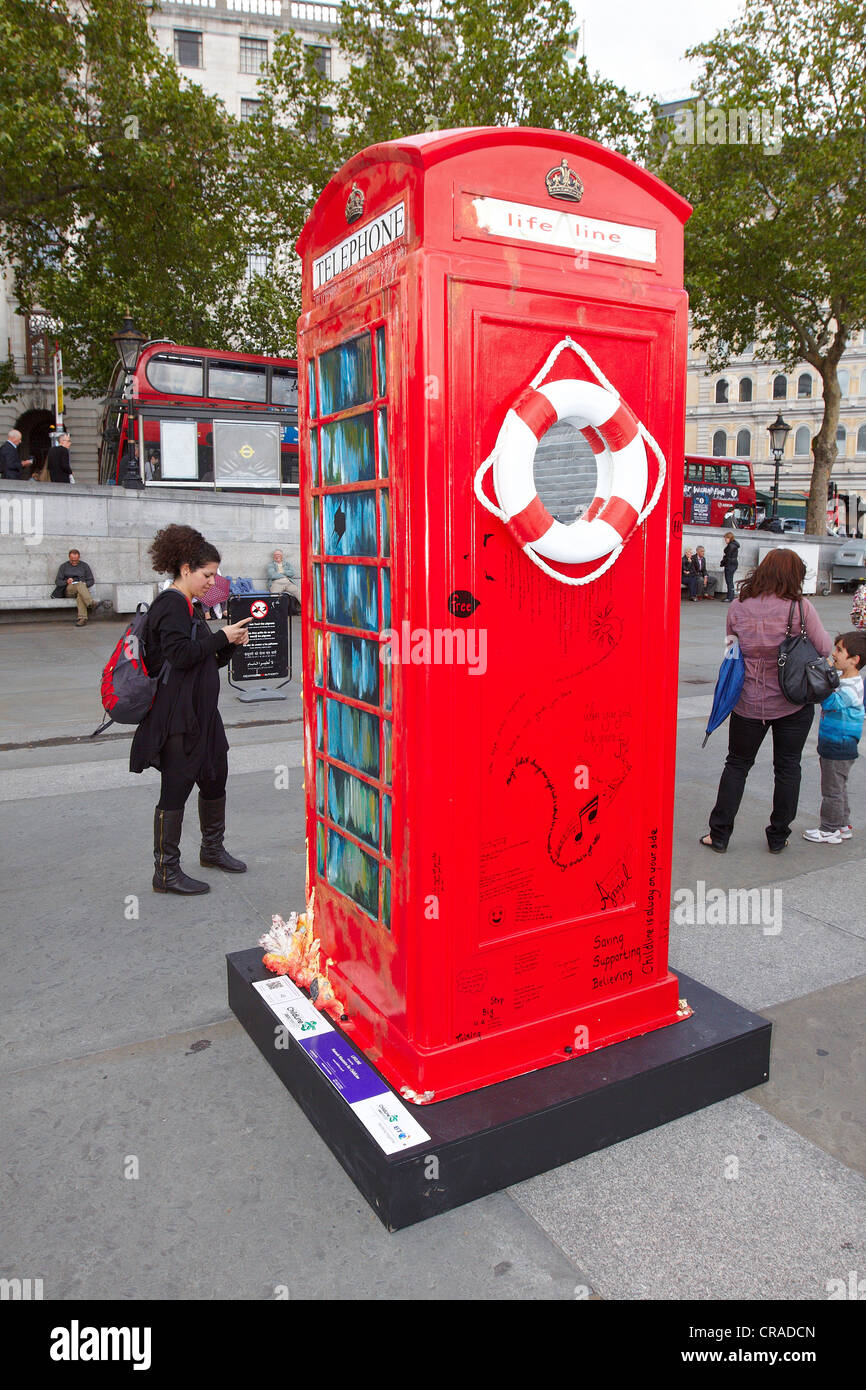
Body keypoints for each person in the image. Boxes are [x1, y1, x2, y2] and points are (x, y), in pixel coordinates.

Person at [130, 524, 252, 896]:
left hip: (203, 714)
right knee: (176, 789)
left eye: (214, 574)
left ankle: (212, 849)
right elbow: (179, 656)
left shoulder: (189, 605)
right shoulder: (170, 604)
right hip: (179, 717)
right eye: (207, 574)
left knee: (215, 775)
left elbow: (201, 662)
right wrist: (220, 636)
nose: (212, 581)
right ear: (186, 568)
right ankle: (165, 871)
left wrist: (228, 645)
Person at [701, 549, 832, 854]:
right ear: (793, 575)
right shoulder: (800, 608)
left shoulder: (738, 606)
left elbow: (730, 648)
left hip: (747, 701)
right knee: (787, 768)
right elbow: (825, 648)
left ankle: (718, 834)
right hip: (793, 702)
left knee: (736, 765)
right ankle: (778, 836)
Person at [802, 631, 866, 844]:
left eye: (839, 650)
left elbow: (830, 703)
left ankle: (829, 829)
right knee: (839, 787)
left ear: (854, 660)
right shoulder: (846, 680)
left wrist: (820, 678)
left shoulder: (852, 687)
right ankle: (843, 825)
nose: (834, 654)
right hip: (837, 743)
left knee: (831, 790)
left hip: (839, 744)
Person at [51, 548, 103, 626]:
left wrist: (85, 585)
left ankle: (82, 619)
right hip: (69, 590)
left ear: (79, 557)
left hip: (82, 590)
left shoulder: (84, 566)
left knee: (80, 594)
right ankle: (91, 603)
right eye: (72, 560)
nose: (74, 562)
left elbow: (91, 580)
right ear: (69, 558)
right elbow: (57, 581)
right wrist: (66, 581)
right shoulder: (64, 566)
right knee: (80, 585)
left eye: (76, 560)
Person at [267, 549, 301, 614]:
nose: (277, 556)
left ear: (282, 556)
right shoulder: (270, 565)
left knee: (300, 593)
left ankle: (308, 611)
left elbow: (292, 573)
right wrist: (284, 575)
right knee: (273, 597)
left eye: (278, 555)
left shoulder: (287, 564)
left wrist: (282, 572)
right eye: (275, 555)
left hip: (288, 582)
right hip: (276, 583)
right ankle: (273, 614)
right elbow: (272, 575)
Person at [721, 531, 740, 602]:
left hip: (730, 564)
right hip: (733, 564)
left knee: (729, 581)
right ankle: (730, 596)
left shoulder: (731, 546)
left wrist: (723, 563)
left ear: (729, 538)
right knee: (730, 581)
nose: (725, 540)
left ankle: (730, 597)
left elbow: (728, 557)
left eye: (726, 538)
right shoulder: (734, 545)